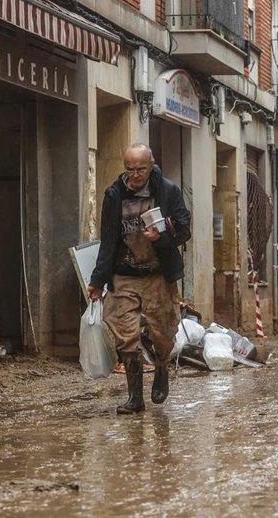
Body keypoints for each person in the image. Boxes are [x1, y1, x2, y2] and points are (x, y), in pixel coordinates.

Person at [88, 143, 191, 414]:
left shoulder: (168, 191)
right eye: (130, 169)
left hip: (157, 275)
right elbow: (107, 241)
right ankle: (135, 398)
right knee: (125, 333)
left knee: (164, 332)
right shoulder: (114, 195)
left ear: (152, 164)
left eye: (141, 169)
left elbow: (184, 231)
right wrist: (98, 281)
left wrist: (163, 237)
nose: (135, 175)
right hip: (124, 275)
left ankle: (160, 366)